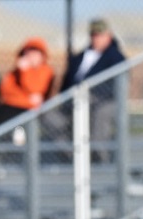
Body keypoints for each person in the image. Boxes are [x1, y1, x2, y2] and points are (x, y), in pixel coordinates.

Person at [43, 18, 125, 160]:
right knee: (47, 115)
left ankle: (98, 155)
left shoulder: (115, 57)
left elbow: (116, 85)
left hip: (101, 101)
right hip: (73, 100)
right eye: (94, 35)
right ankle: (72, 154)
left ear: (109, 36)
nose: (96, 39)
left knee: (101, 114)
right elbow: (67, 82)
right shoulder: (80, 57)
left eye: (100, 35)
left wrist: (92, 95)